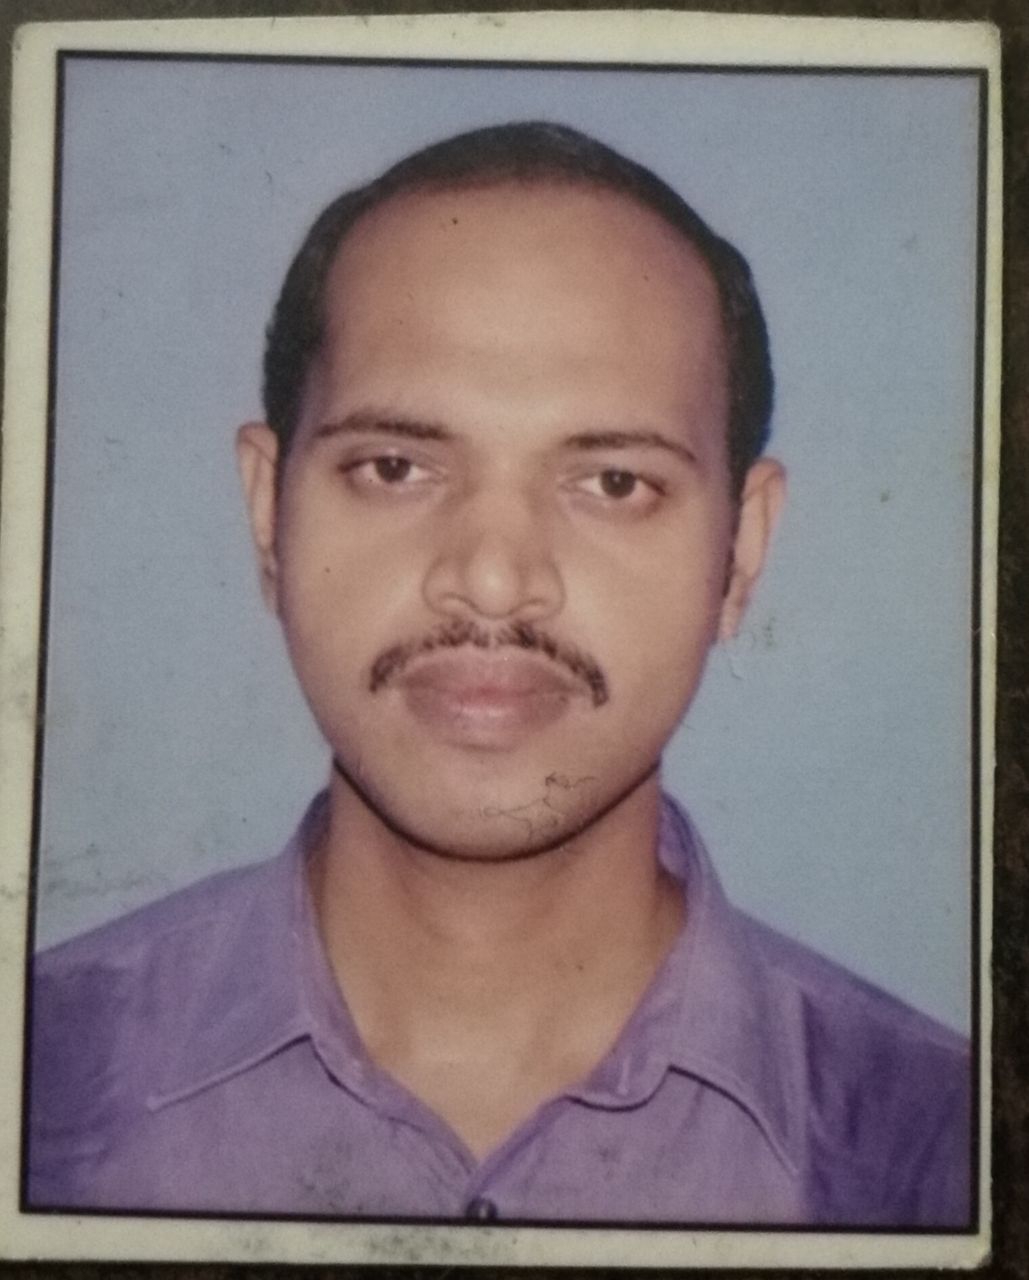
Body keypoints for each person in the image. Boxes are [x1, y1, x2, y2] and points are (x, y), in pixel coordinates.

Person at [27, 121, 970, 1225]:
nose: (490, 578)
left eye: (613, 482)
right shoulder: (36, 1084)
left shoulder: (948, 1155)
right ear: (267, 516)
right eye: (395, 467)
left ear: (742, 550)